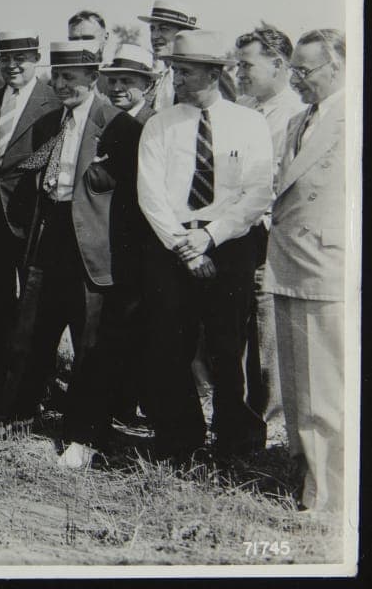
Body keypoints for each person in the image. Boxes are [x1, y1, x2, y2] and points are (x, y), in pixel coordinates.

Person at [0, 42, 142, 465]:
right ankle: (17, 414)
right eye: (57, 76)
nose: (61, 85)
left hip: (94, 248)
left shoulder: (119, 127)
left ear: (93, 77)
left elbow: (129, 201)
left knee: (90, 342)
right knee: (33, 330)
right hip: (50, 235)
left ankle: (84, 435)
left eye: (71, 77)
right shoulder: (49, 123)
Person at [137, 30, 271, 462]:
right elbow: (150, 193)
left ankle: (236, 443)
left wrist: (210, 237)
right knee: (169, 345)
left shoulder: (249, 123)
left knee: (228, 347)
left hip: (229, 245)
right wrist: (184, 245)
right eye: (175, 69)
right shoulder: (160, 125)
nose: (176, 77)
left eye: (186, 70)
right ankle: (180, 441)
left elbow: (257, 193)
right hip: (172, 245)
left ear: (214, 73)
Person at [266, 29, 346, 514]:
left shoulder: (352, 116)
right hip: (291, 259)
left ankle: (329, 495)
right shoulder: (300, 119)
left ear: (336, 67)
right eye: (292, 69)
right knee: (298, 380)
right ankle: (304, 471)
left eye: (305, 71)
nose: (295, 79)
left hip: (326, 262)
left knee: (324, 383)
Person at [0, 30, 60, 395]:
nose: (12, 65)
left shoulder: (54, 102)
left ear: (35, 58)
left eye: (20, 57)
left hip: (34, 217)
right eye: (6, 58)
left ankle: (36, 379)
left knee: (37, 303)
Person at [234, 23, 306, 426]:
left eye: (247, 65)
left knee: (265, 326)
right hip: (236, 231)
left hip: (268, 233)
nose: (240, 74)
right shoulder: (243, 107)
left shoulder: (294, 114)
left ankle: (269, 419)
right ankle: (241, 412)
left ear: (278, 64)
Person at [97, 44, 157, 429]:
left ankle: (135, 403)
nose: (118, 87)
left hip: (143, 240)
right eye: (113, 80)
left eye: (128, 81)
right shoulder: (110, 121)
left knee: (139, 323)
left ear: (147, 85)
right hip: (110, 236)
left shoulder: (152, 123)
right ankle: (118, 401)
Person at [137, 0, 199, 112]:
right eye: (152, 29)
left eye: (163, 29)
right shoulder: (160, 77)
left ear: (184, 33)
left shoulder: (203, 74)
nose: (155, 36)